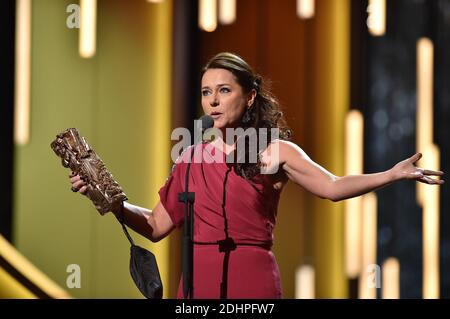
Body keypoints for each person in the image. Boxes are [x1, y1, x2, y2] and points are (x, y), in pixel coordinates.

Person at [69, 52, 444, 299]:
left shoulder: (275, 151)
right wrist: (106, 199)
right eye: (205, 92)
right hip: (197, 284)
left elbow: (331, 187)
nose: (212, 101)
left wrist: (391, 175)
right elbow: (155, 225)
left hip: (254, 281)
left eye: (224, 90)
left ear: (249, 97)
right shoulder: (190, 158)